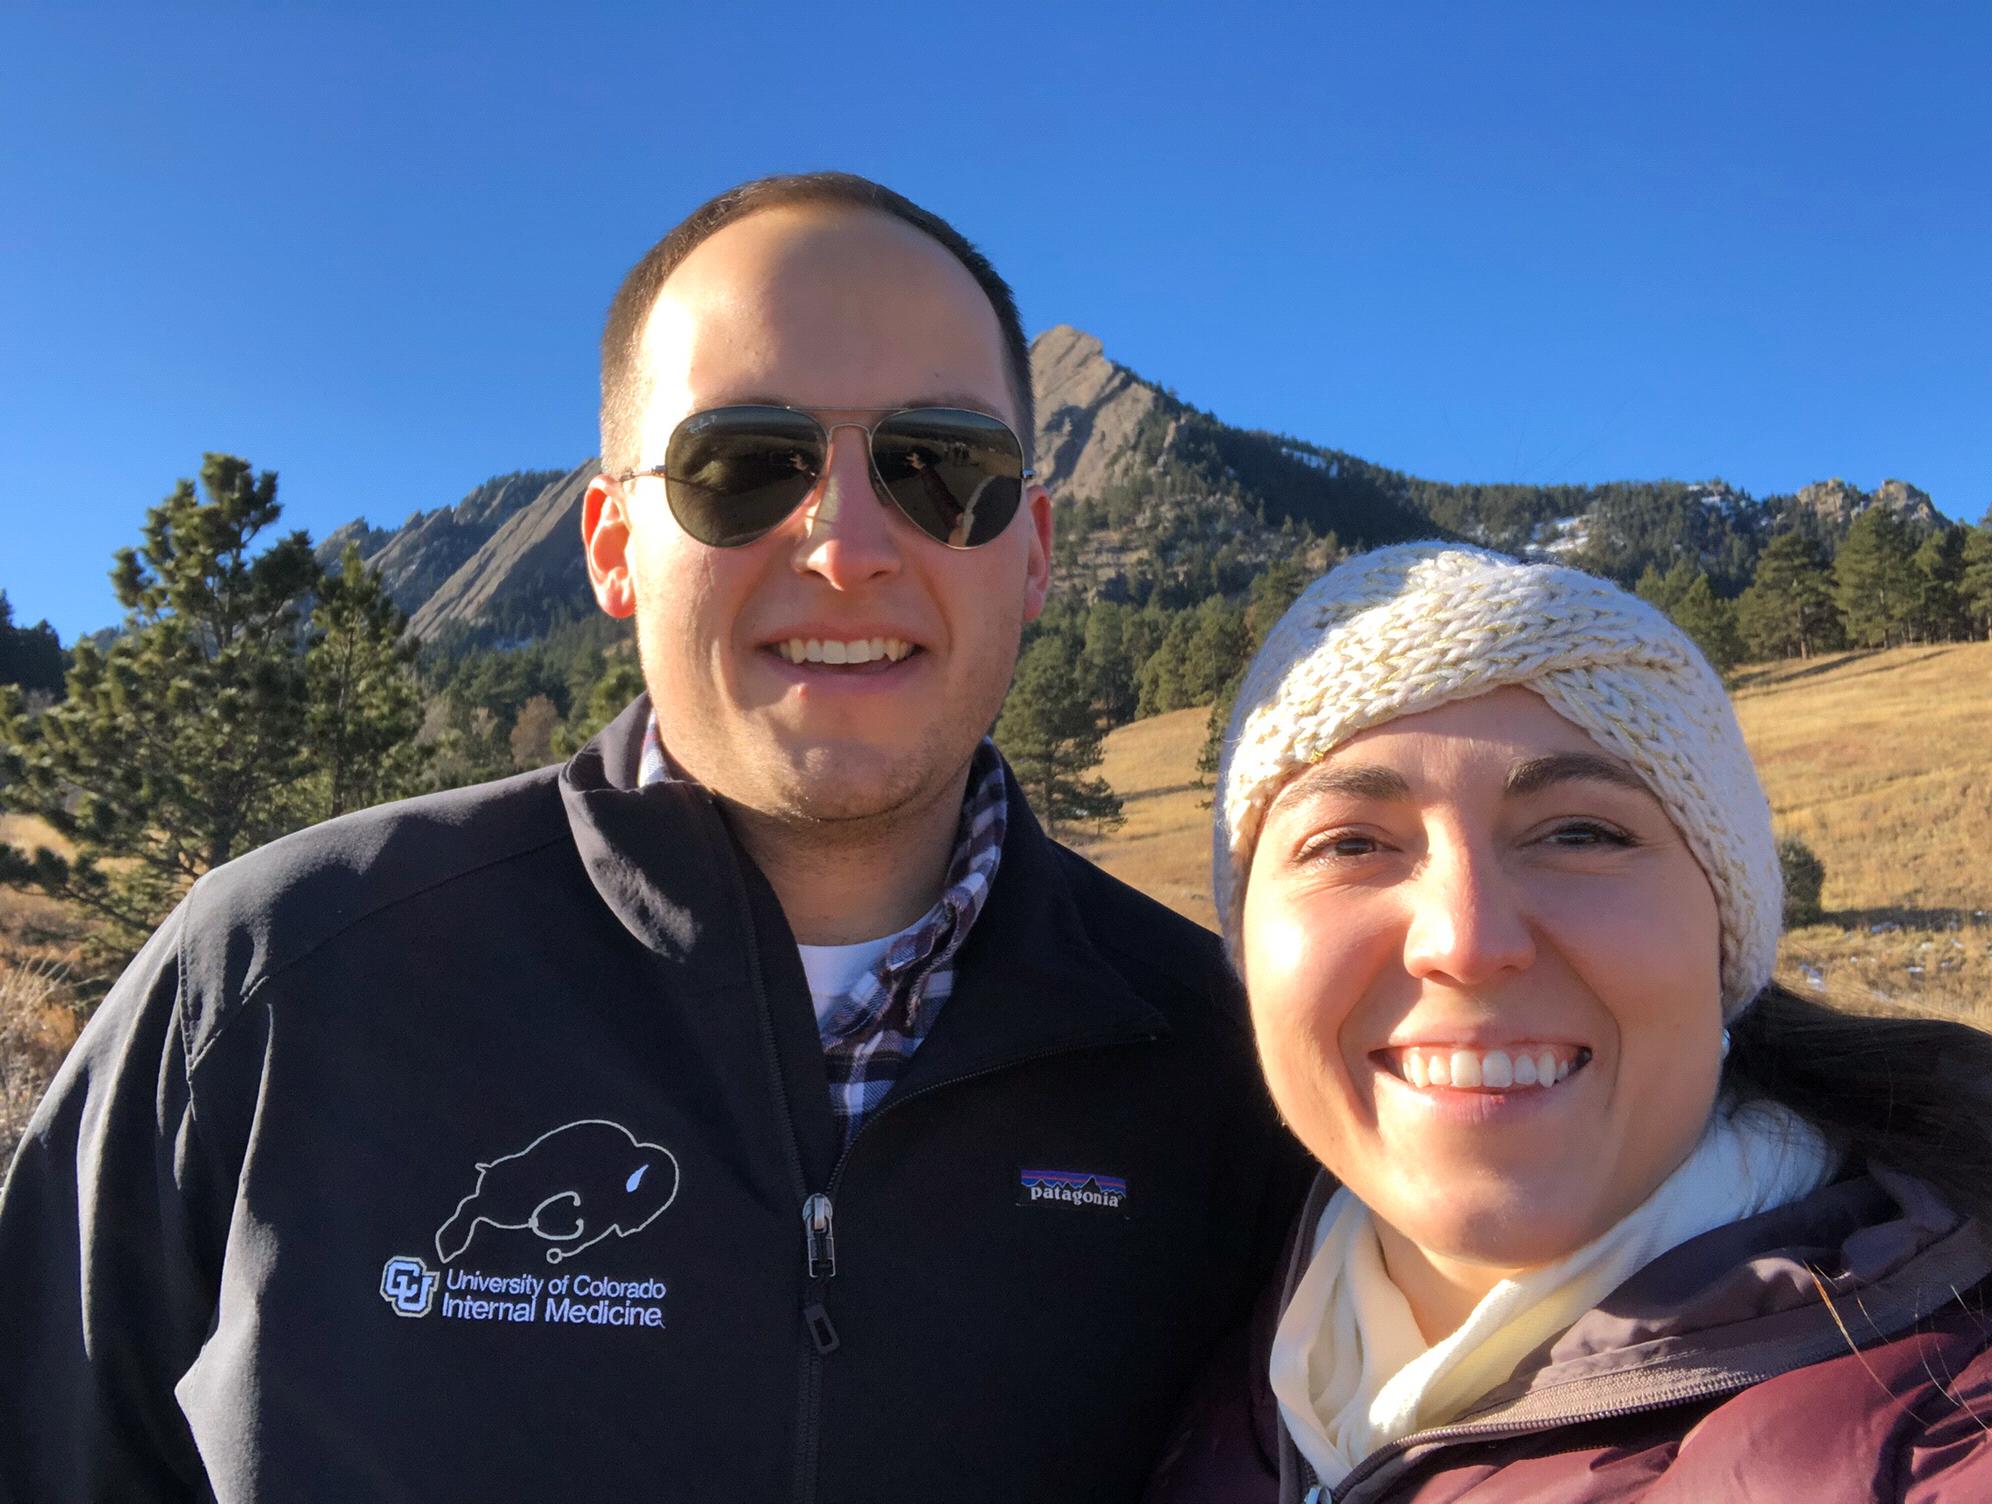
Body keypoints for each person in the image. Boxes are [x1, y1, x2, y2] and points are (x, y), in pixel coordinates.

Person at [0, 173, 1304, 1502]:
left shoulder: (1239, 1073)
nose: (848, 545)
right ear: (613, 543)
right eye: (745, 467)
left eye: (942, 468)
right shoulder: (276, 979)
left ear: (1031, 551)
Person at [1150, 543, 1992, 1502]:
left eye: (1581, 832)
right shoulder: (1192, 1363)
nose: (1466, 941)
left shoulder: (1954, 1442)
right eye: (1350, 843)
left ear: (1727, 933)